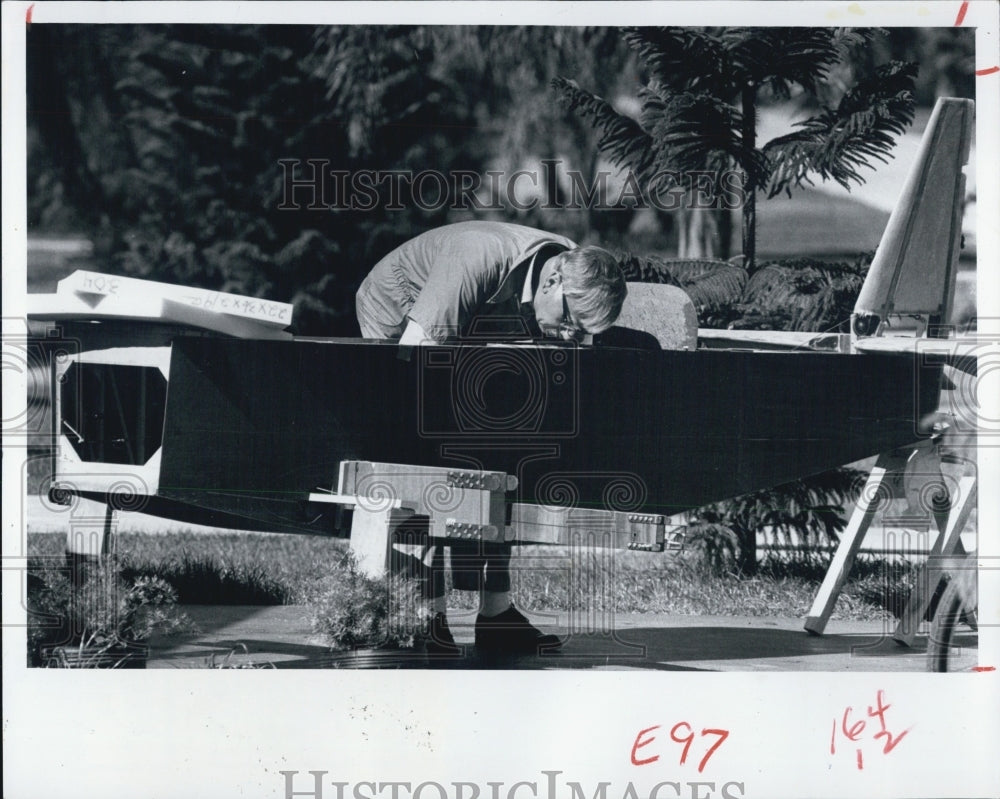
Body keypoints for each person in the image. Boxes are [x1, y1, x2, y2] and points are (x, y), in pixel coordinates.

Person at [356, 220, 627, 655]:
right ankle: (427, 614)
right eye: (572, 324)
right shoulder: (474, 257)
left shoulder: (574, 270)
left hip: (483, 323)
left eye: (584, 333)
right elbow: (416, 361)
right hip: (402, 314)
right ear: (552, 282)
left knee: (507, 458)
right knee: (421, 459)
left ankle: (497, 615)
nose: (574, 339)